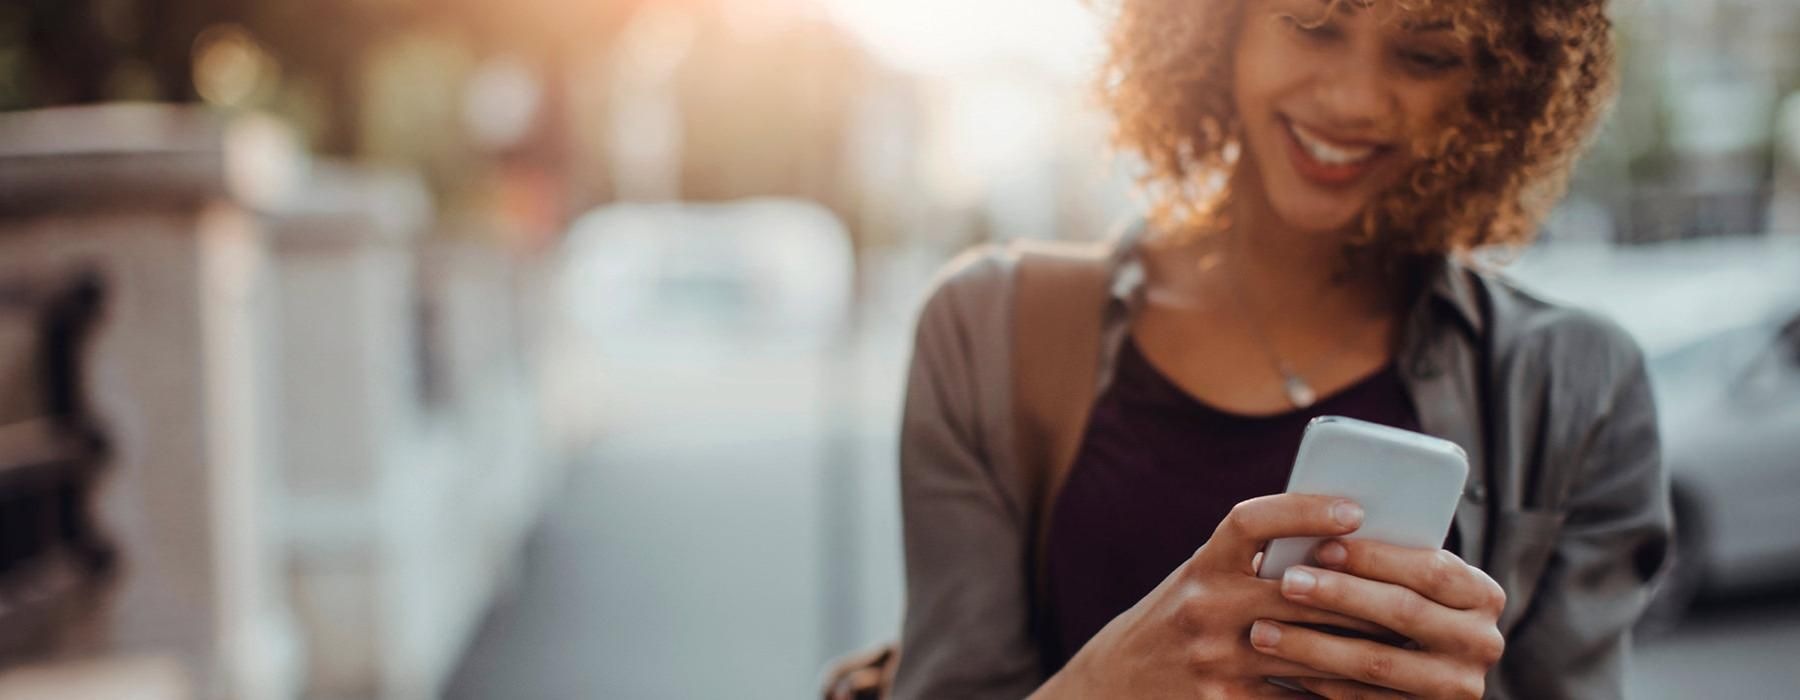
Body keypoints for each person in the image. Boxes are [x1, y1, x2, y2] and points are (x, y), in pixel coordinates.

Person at [893, 0, 1671, 698]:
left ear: (1497, 87)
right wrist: (1111, 682)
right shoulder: (989, 330)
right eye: (1312, 26)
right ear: (1213, 24)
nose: (1353, 100)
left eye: (1426, 55)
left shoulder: (1581, 385)